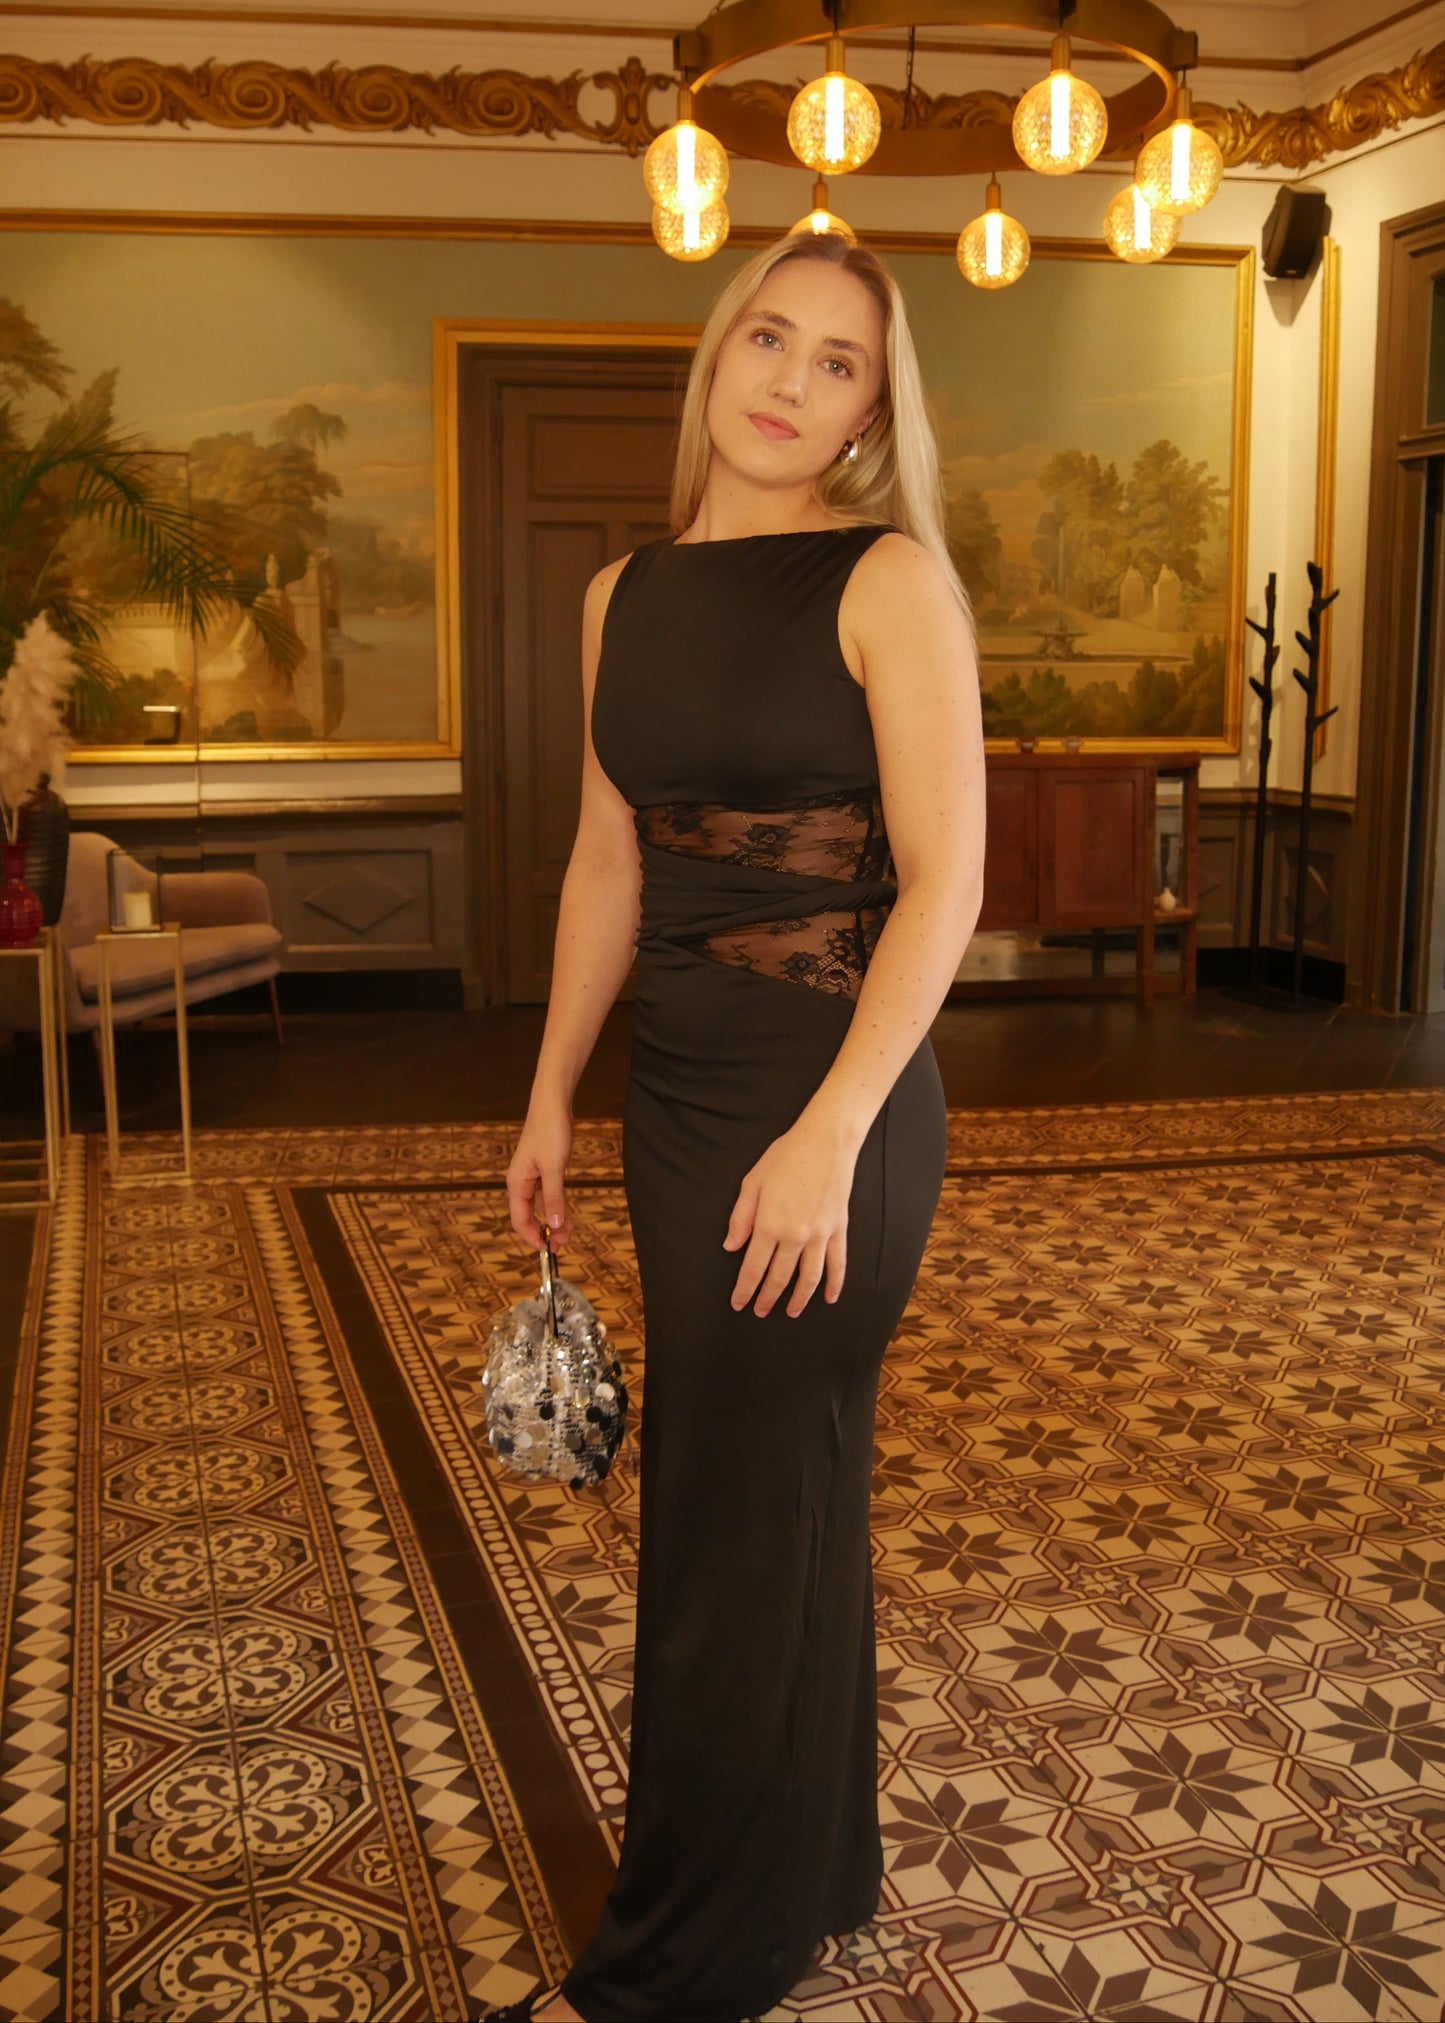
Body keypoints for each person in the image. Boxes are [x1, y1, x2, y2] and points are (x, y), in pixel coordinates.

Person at [490, 228, 985, 2023]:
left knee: (726, 1509)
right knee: (785, 1494)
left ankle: (684, 1960)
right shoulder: (623, 591)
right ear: (716, 356)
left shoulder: (887, 582)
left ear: (869, 409)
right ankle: (811, 1866)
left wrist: (835, 1130)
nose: (788, 380)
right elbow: (610, 857)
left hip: (829, 1105)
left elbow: (943, 888)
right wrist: (550, 1086)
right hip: (678, 1096)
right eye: (767, 338)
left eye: (836, 361)